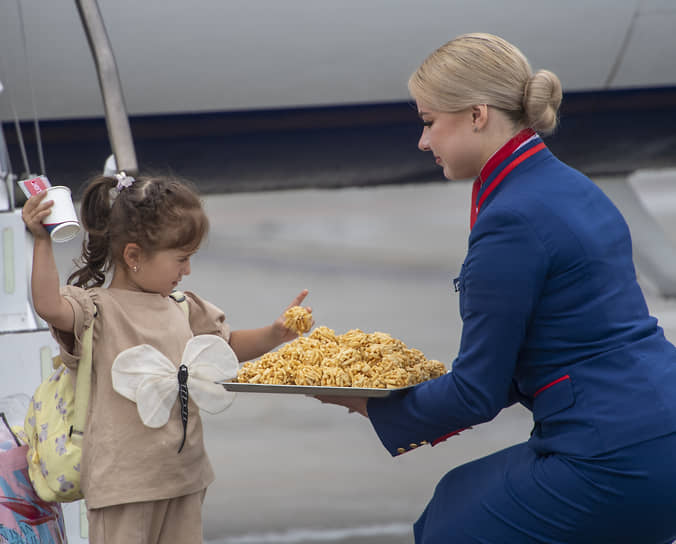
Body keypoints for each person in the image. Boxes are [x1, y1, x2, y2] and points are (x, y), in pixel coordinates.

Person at [317, 33, 676, 543]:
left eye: (428, 122)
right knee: (462, 497)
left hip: (614, 454)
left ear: (477, 115)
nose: (423, 142)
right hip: (656, 424)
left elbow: (476, 393)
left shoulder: (510, 220)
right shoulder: (572, 185)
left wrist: (367, 402)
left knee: (454, 521)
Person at [21, 172, 311, 544]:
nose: (187, 270)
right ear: (134, 256)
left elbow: (224, 348)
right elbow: (48, 305)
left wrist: (275, 335)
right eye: (181, 259)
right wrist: (42, 241)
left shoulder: (182, 308)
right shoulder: (97, 312)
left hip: (185, 480)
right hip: (123, 487)